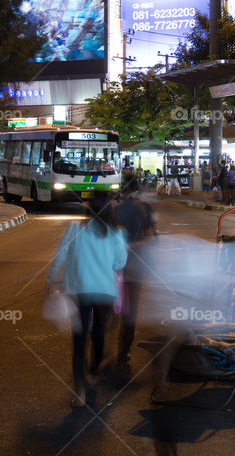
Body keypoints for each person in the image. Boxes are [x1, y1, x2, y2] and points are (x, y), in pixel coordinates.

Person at [46, 191, 128, 407]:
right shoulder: (117, 233)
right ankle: (93, 373)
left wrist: (49, 280)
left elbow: (58, 256)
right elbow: (119, 264)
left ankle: (80, 392)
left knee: (79, 342)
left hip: (78, 291)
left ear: (88, 208)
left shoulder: (74, 229)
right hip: (105, 292)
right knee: (99, 334)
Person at [114, 172, 157, 365]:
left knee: (112, 306)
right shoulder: (145, 209)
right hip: (135, 267)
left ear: (123, 188)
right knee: (130, 312)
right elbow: (153, 238)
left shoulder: (115, 210)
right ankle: (123, 352)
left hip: (114, 266)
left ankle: (104, 338)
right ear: (137, 187)